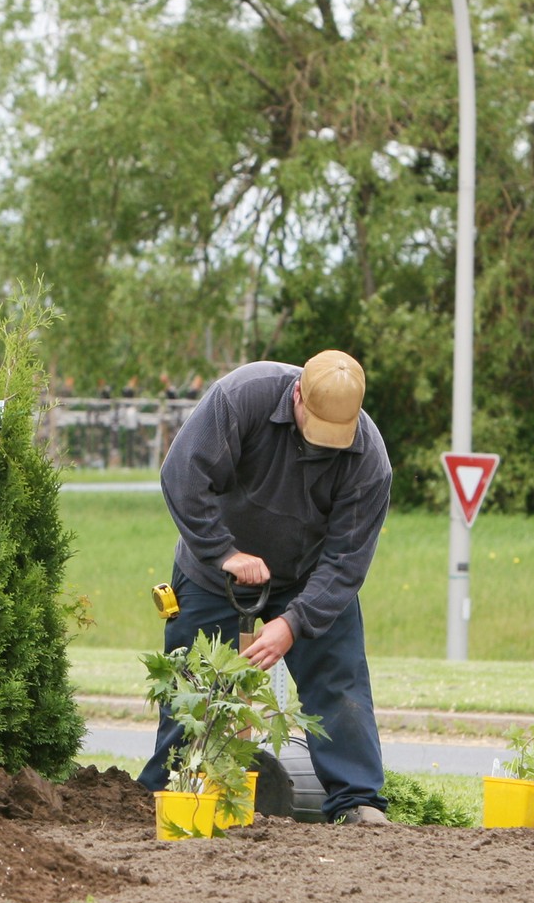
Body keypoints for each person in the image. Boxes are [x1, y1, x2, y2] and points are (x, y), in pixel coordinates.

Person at [138, 350, 394, 824]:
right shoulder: (242, 397)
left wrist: (294, 623)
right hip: (214, 571)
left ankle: (357, 802)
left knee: (338, 684)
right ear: (297, 395)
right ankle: (171, 790)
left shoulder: (369, 460)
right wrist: (225, 553)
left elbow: (346, 560)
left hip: (308, 578)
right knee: (196, 687)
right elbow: (183, 476)